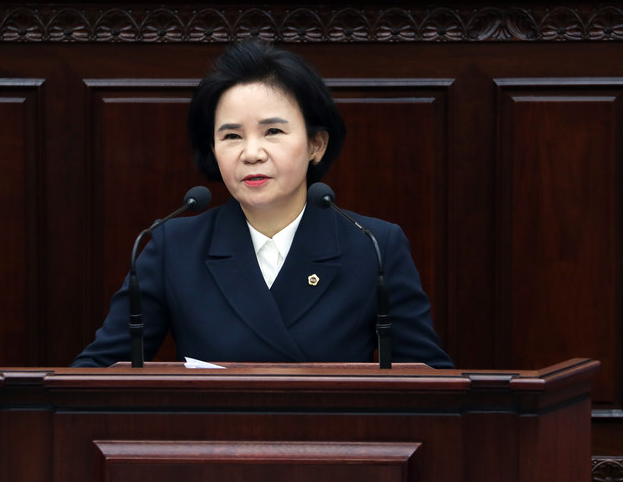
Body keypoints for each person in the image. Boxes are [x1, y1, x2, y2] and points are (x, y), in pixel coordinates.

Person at [72, 39, 453, 368]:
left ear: (316, 145)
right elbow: (97, 372)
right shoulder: (174, 247)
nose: (251, 153)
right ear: (213, 148)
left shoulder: (373, 245)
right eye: (232, 136)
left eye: (272, 131)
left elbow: (427, 381)